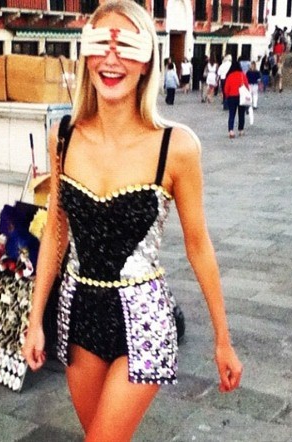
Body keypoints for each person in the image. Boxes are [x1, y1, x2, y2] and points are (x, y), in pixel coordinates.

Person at [22, 1, 243, 440]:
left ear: (146, 62)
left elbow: (198, 244)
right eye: (101, 45)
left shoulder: (176, 147)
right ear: (86, 54)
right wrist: (34, 320)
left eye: (126, 47)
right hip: (78, 314)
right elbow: (56, 231)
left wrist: (223, 338)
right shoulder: (63, 136)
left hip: (145, 321)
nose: (112, 59)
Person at [224, 61, 249, 138]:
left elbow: (226, 88)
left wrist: (227, 96)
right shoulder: (242, 75)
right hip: (241, 96)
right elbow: (246, 86)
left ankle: (231, 130)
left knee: (232, 114)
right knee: (241, 114)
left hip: (231, 97)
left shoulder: (229, 76)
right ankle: (241, 130)